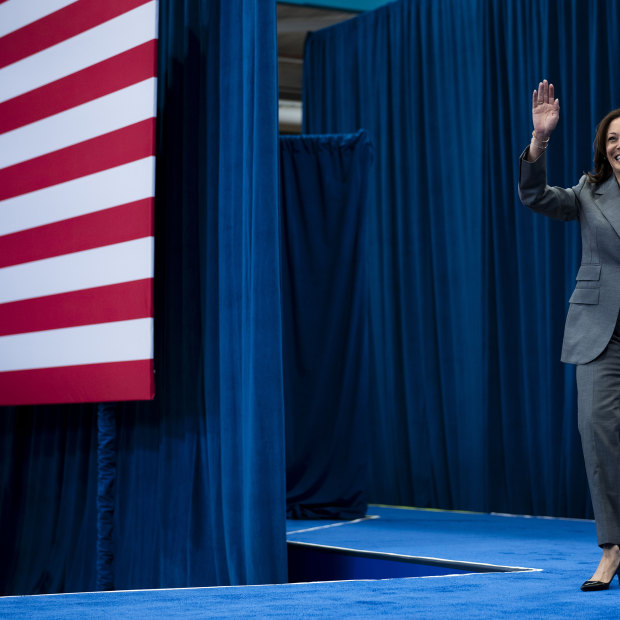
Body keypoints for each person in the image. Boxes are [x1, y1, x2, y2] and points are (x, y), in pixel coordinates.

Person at [518, 79, 620, 592]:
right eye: (611, 139)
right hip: (601, 335)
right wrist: (539, 142)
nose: (618, 145)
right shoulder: (587, 191)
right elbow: (535, 195)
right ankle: (611, 549)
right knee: (598, 438)